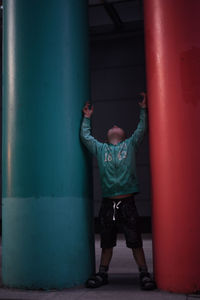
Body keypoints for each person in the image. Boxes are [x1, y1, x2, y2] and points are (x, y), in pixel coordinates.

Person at [80, 93, 156, 290]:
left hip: (127, 202)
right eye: (111, 127)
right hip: (108, 203)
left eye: (117, 126)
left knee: (135, 240)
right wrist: (87, 118)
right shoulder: (101, 148)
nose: (114, 125)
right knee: (106, 241)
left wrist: (143, 109)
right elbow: (85, 137)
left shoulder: (130, 145)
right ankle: (102, 273)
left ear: (122, 134)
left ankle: (144, 274)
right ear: (108, 135)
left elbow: (142, 129)